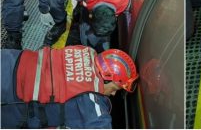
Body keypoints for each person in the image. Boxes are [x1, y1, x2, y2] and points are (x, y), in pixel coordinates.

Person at [1, 46, 138, 128]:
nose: (113, 94)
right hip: (11, 96)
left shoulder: (86, 50)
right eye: (115, 88)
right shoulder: (92, 101)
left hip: (10, 58)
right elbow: (100, 123)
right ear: (107, 77)